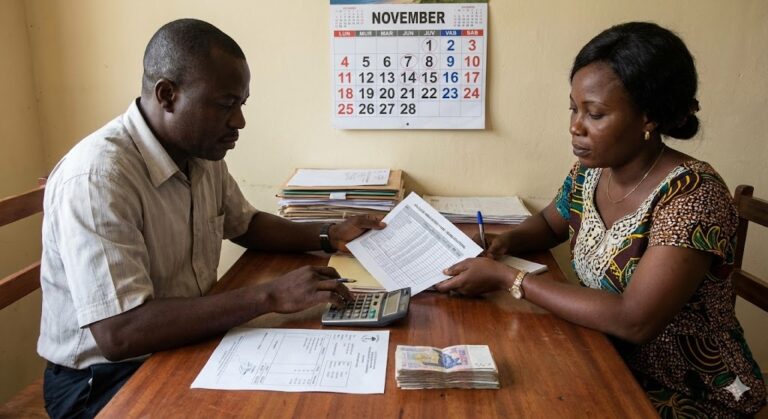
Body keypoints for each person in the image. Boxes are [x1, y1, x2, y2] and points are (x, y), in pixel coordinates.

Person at [37, 18, 384, 418]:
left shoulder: (198, 151)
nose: (239, 121)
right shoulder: (99, 177)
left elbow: (245, 224)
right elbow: (120, 332)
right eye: (225, 104)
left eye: (241, 104)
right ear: (167, 95)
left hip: (179, 345)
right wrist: (268, 295)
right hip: (101, 380)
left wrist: (328, 233)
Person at [436, 22, 766, 417]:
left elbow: (634, 320)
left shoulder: (693, 195)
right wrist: (505, 243)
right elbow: (549, 222)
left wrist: (510, 279)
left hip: (688, 390)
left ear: (649, 118)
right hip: (605, 355)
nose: (575, 126)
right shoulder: (592, 170)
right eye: (573, 108)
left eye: (594, 113)